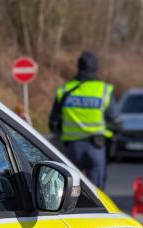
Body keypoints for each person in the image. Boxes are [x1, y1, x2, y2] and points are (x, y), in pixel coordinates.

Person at [48, 51, 118, 188]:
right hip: (96, 147)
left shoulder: (65, 90)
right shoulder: (104, 90)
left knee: (71, 189)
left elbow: (53, 123)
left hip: (72, 149)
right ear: (96, 68)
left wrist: (63, 135)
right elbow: (115, 121)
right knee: (96, 192)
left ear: (78, 66)